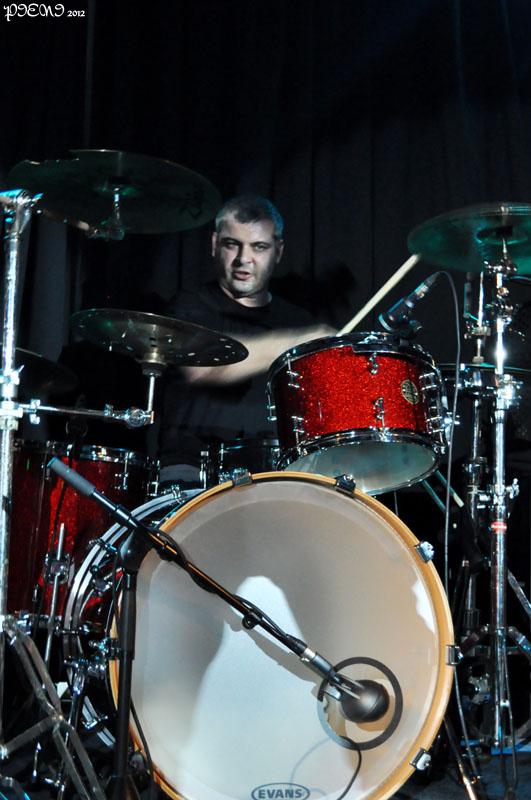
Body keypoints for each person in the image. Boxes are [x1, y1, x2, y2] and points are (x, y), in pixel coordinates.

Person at [158, 194, 334, 487]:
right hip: (193, 469)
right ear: (214, 244)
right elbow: (201, 367)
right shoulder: (189, 307)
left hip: (275, 472)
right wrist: (298, 344)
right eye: (232, 244)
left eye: (259, 247)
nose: (244, 259)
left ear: (278, 251)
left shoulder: (297, 320)